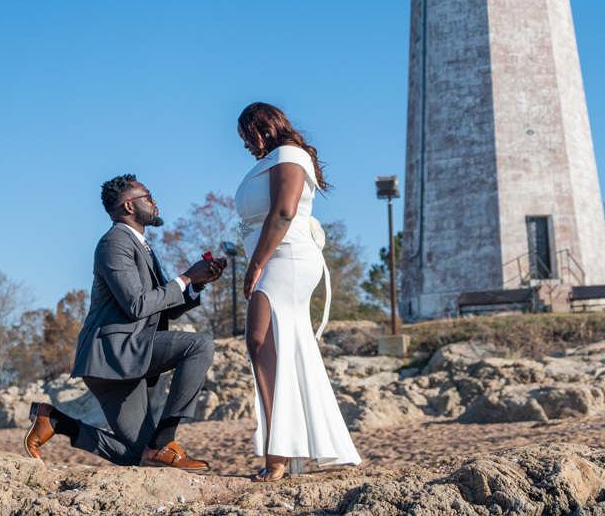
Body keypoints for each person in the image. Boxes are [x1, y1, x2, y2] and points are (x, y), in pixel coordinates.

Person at [24, 174, 227, 470]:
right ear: (129, 206)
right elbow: (137, 305)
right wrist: (185, 278)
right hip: (112, 353)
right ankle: (162, 443)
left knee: (140, 459)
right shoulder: (114, 242)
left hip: (128, 356)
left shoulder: (141, 245)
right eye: (148, 196)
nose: (155, 201)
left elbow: (162, 309)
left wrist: (195, 285)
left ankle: (55, 421)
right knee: (199, 345)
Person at [235, 103, 362, 481]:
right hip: (275, 258)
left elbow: (284, 213)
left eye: (246, 135)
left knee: (260, 343)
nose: (244, 144)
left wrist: (255, 264)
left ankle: (279, 453)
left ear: (263, 128)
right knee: (278, 348)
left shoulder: (289, 155)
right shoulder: (273, 158)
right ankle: (284, 451)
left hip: (284, 259)